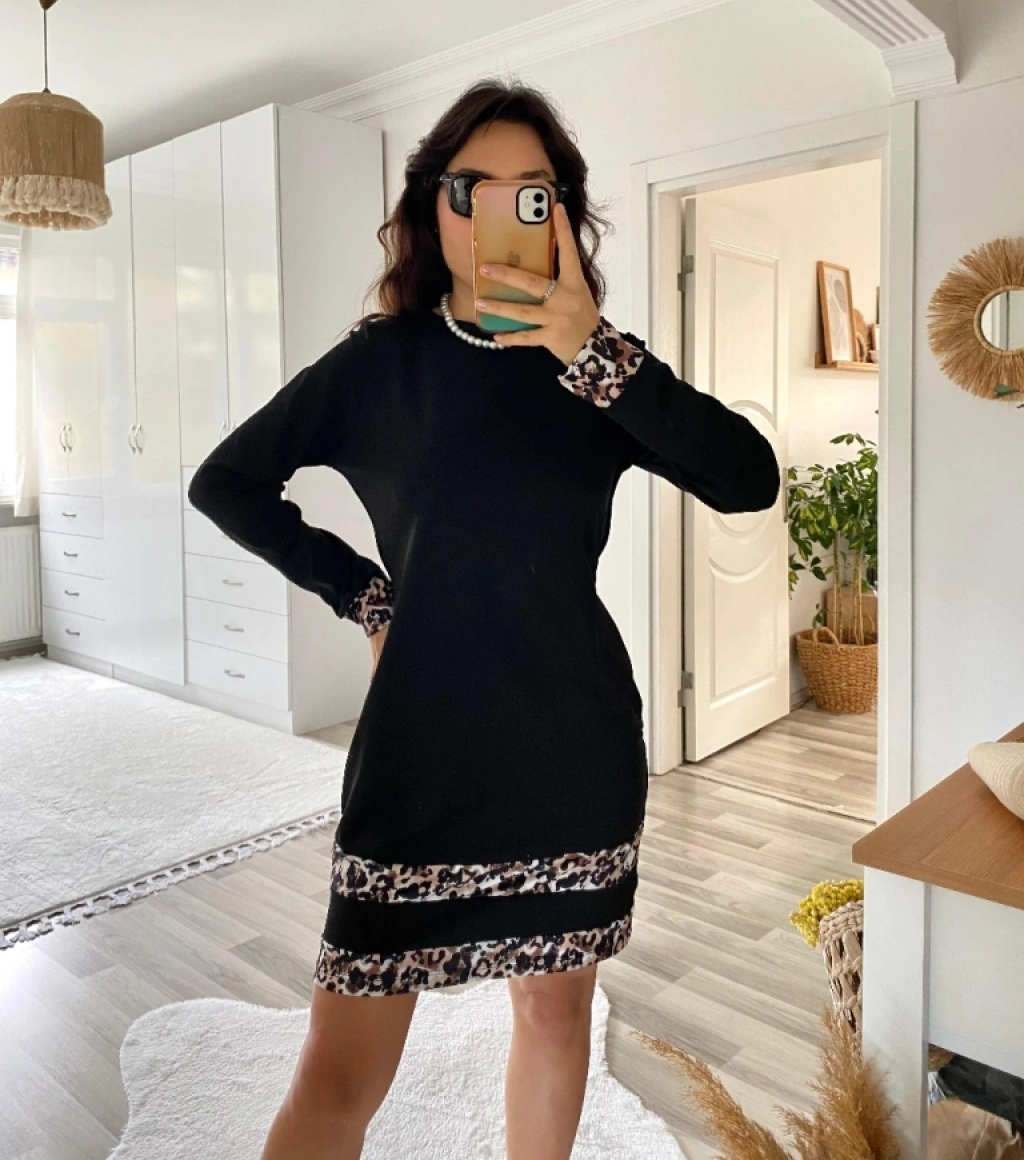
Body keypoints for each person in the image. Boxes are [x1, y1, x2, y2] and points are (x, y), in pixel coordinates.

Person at [187, 78, 780, 1160]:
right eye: (472, 188)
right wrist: (363, 594)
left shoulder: (597, 372)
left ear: (562, 215)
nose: (497, 213)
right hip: (417, 759)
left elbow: (749, 478)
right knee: (337, 1075)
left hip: (570, 753)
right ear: (434, 206)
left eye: (531, 192)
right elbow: (224, 482)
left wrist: (595, 351)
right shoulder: (381, 365)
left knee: (554, 1017)